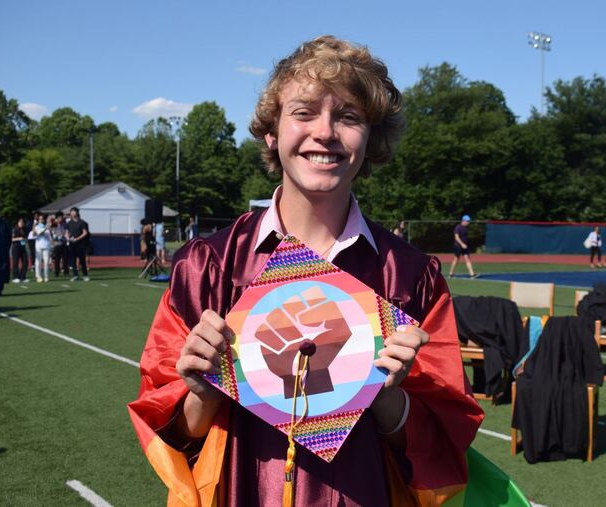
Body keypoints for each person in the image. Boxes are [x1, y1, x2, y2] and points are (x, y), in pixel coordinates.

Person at [128, 36, 483, 506]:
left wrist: (388, 398)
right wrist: (203, 389)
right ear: (272, 132)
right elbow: (173, 437)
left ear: (371, 140)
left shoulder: (412, 278)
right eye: (304, 112)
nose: (326, 132)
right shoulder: (206, 267)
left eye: (349, 116)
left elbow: (442, 446)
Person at [65, 207, 90, 281]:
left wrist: (77, 239)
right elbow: (67, 232)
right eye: (71, 212)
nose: (72, 213)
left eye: (74, 212)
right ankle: (75, 275)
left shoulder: (82, 222)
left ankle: (85, 275)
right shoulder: (69, 222)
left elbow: (85, 233)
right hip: (72, 244)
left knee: (82, 261)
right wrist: (67, 237)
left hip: (80, 244)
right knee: (73, 261)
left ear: (77, 213)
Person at [33, 215, 53, 282]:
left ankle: (46, 276)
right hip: (38, 246)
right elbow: (39, 233)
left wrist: (51, 243)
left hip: (46, 246)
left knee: (46, 262)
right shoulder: (37, 227)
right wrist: (46, 228)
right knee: (38, 262)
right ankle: (38, 276)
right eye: (40, 219)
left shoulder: (47, 227)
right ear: (38, 220)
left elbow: (49, 236)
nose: (41, 220)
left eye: (42, 219)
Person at [10, 217, 29, 283]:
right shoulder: (14, 229)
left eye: (23, 222)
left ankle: (23, 276)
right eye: (20, 222)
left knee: (25, 261)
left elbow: (26, 237)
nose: (22, 223)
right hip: (16, 247)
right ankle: (15, 277)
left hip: (23, 246)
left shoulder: (24, 229)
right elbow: (11, 239)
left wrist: (25, 239)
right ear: (17, 223)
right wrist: (19, 238)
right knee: (15, 262)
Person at [51, 211, 69, 278]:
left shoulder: (65, 224)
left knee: (65, 259)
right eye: (59, 218)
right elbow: (52, 232)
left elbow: (66, 232)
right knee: (57, 259)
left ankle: (66, 272)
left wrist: (67, 239)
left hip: (64, 242)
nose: (60, 219)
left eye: (61, 217)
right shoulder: (53, 224)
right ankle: (57, 272)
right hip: (57, 243)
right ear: (56, 218)